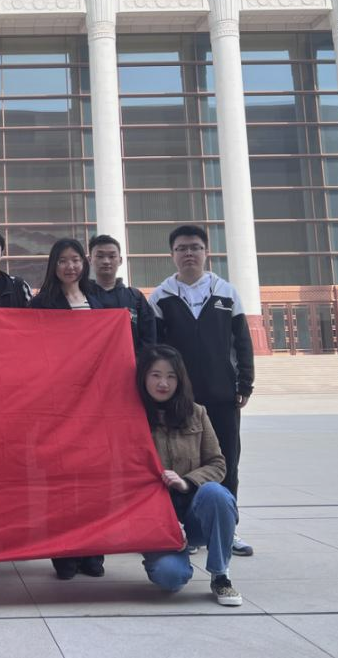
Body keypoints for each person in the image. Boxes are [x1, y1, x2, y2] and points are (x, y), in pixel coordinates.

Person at [149, 224, 255, 557]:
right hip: (180, 399)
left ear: (206, 252)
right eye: (181, 248)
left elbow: (242, 342)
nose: (189, 254)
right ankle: (186, 527)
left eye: (195, 247)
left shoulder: (226, 292)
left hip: (222, 395)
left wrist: (245, 382)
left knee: (227, 462)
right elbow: (155, 349)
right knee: (180, 463)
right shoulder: (161, 297)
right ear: (172, 255)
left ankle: (228, 528)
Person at [136, 344, 243, 607]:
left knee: (216, 493)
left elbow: (217, 463)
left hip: (195, 510)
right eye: (155, 375)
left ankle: (221, 575)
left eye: (170, 376)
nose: (163, 383)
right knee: (171, 578)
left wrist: (186, 482)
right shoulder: (132, 417)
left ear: (180, 379)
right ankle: (171, 557)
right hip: (156, 518)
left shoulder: (196, 413)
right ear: (143, 377)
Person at [29, 237, 106, 580]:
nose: (70, 266)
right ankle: (63, 554)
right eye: (63, 260)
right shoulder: (41, 304)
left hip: (94, 404)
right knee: (59, 483)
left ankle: (93, 551)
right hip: (56, 405)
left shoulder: (98, 300)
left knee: (92, 481)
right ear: (53, 265)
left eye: (75, 259)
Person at [87, 234, 157, 349]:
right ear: (89, 260)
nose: (106, 261)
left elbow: (149, 337)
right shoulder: (82, 296)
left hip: (130, 359)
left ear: (120, 260)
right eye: (100, 256)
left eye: (112, 256)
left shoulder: (136, 297)